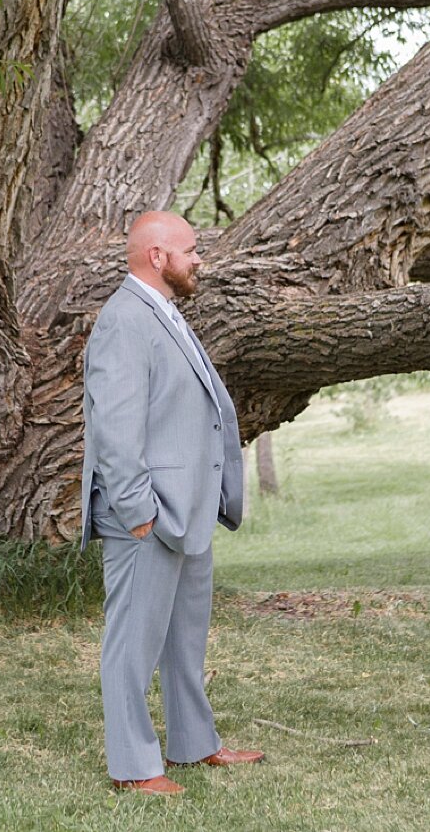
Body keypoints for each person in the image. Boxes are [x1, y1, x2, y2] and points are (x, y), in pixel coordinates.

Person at [80, 211, 262, 796]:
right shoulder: (123, 322)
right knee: (132, 643)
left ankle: (194, 742)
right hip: (147, 518)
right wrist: (138, 513)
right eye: (189, 249)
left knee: (184, 638)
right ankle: (134, 767)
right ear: (157, 256)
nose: (198, 258)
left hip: (186, 510)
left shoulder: (165, 314)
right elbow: (114, 429)